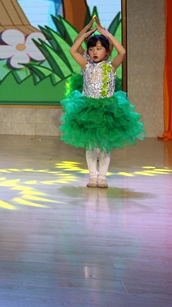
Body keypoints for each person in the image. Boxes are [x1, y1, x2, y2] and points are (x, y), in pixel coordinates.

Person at [60, 19, 144, 188]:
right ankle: (93, 176)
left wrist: (108, 35)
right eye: (91, 49)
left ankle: (103, 177)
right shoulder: (86, 65)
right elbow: (73, 50)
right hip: (88, 110)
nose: (94, 52)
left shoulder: (111, 66)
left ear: (107, 52)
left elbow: (122, 51)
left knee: (104, 147)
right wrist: (86, 33)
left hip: (107, 110)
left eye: (99, 48)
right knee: (91, 146)